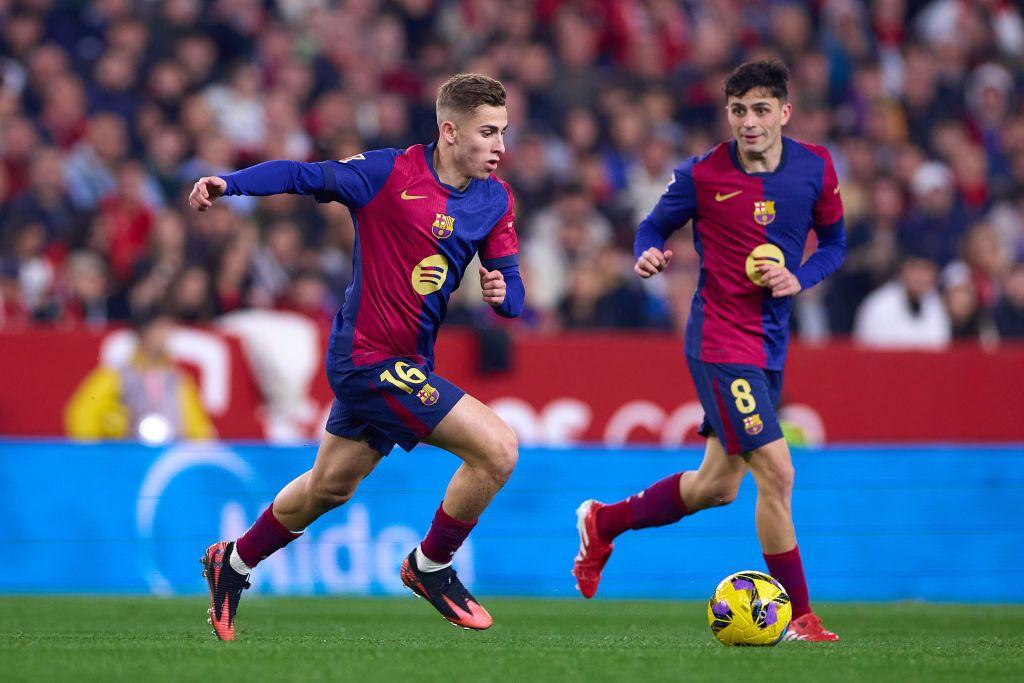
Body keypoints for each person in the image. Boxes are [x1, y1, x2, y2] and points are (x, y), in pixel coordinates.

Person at [189, 74, 524, 640]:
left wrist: (503, 294)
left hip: (409, 363)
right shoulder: (388, 173)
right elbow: (303, 173)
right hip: (366, 359)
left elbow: (512, 291)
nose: (500, 146)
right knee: (498, 450)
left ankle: (233, 562)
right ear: (449, 130)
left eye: (503, 132)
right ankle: (431, 566)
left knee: (328, 488)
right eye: (487, 133)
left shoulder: (496, 199)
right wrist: (230, 183)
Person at [571, 61, 845, 642]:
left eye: (762, 110)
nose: (750, 122)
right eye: (739, 110)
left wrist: (800, 276)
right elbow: (650, 227)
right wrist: (647, 254)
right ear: (729, 114)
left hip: (770, 343)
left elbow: (837, 244)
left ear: (784, 112)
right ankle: (801, 617)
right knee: (778, 471)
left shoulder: (815, 168)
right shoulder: (702, 174)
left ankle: (603, 521)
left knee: (717, 486)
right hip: (720, 339)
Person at [64, 310, 214, 442]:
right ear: (143, 332)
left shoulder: (178, 379)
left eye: (167, 329)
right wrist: (98, 451)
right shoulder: (115, 375)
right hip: (126, 457)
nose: (165, 336)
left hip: (169, 458)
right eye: (159, 329)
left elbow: (197, 425)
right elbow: (82, 414)